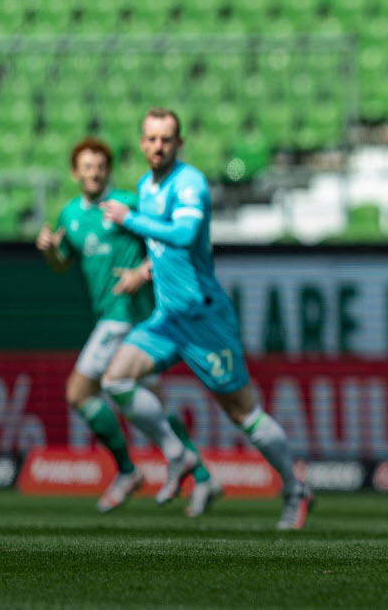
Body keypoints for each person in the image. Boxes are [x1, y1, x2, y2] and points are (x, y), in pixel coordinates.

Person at [100, 108, 313, 530]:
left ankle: (294, 487)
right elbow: (164, 250)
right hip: (167, 319)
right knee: (115, 380)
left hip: (204, 320)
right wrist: (144, 273)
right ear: (142, 144)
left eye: (166, 139)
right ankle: (178, 454)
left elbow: (183, 236)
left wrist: (131, 220)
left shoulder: (190, 183)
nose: (158, 146)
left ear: (179, 144)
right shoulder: (146, 184)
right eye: (151, 139)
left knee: (243, 415)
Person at [35, 137, 220, 516]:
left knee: (79, 392)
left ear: (108, 169)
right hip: (112, 314)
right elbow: (61, 264)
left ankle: (127, 471)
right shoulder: (70, 214)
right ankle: (201, 476)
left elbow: (175, 238)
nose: (94, 172)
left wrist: (143, 270)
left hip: (127, 314)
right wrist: (49, 251)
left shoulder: (127, 203)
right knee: (155, 401)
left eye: (100, 165)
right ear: (75, 173)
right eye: (86, 166)